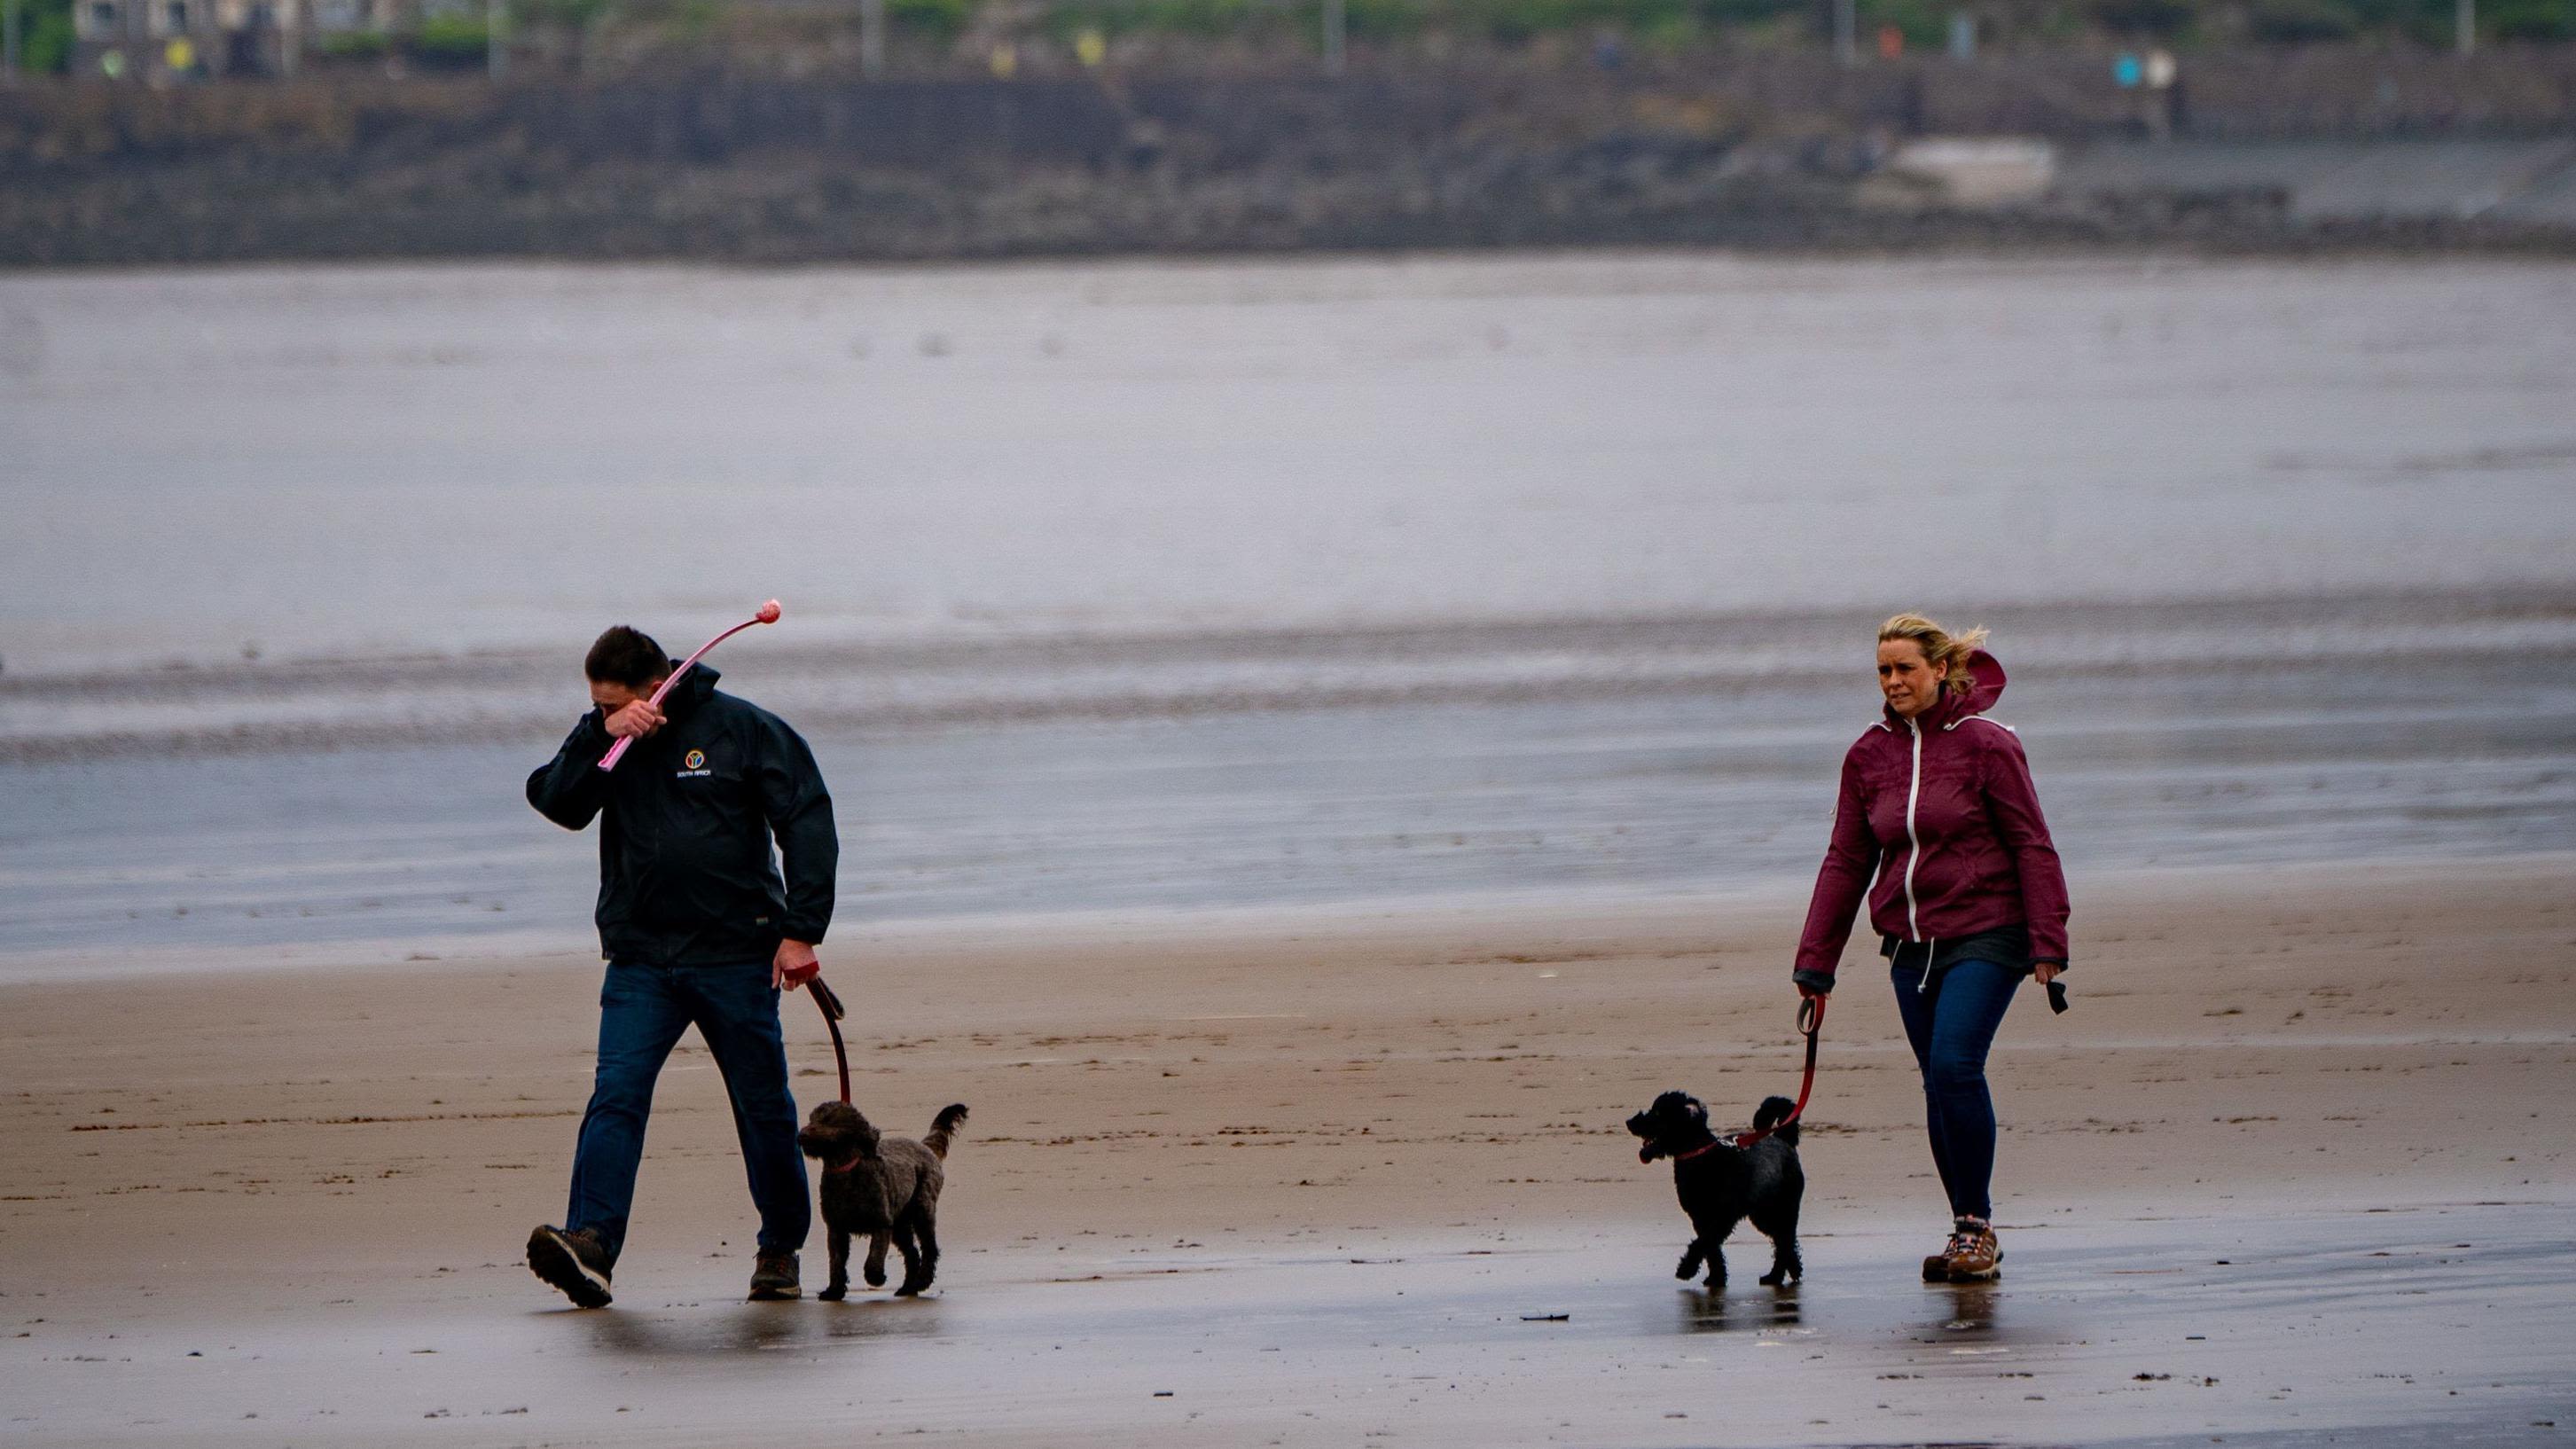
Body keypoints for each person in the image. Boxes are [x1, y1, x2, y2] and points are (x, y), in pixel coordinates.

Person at [522, 624, 838, 1307]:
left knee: (761, 1108)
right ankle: (592, 1247)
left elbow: (806, 817)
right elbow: (558, 803)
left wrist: (801, 932)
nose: (604, 713)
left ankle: (780, 1249)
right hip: (641, 958)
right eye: (597, 704)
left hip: (735, 954)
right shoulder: (607, 739)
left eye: (613, 703)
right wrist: (601, 735)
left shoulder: (742, 729)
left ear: (656, 684)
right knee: (616, 1097)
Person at [1789, 614, 2068, 1283]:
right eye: (1883, 671)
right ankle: (1964, 1229)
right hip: (1911, 944)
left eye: (1904, 669)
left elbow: (2031, 841)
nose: (1892, 682)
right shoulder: (1867, 755)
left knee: (1953, 1065)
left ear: (1939, 669)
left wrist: (2047, 941)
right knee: (1937, 1086)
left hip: (1989, 930)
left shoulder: (1986, 744)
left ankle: (1974, 1230)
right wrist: (1814, 960)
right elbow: (1846, 859)